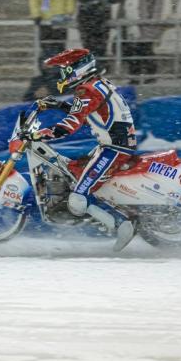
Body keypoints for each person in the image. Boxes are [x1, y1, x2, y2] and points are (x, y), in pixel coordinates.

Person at [28, 48, 137, 252]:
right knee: (75, 174)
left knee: (78, 197)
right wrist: (58, 106)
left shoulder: (87, 89)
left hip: (114, 148)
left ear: (77, 68)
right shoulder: (96, 83)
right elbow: (85, 110)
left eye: (65, 69)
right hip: (115, 144)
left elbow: (72, 123)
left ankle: (122, 224)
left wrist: (44, 133)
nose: (63, 75)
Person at [121, 0, 162, 83]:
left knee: (145, 49)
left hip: (144, 20)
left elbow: (157, 2)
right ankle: (134, 76)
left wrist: (154, 20)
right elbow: (124, 2)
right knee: (130, 49)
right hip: (129, 18)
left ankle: (150, 76)